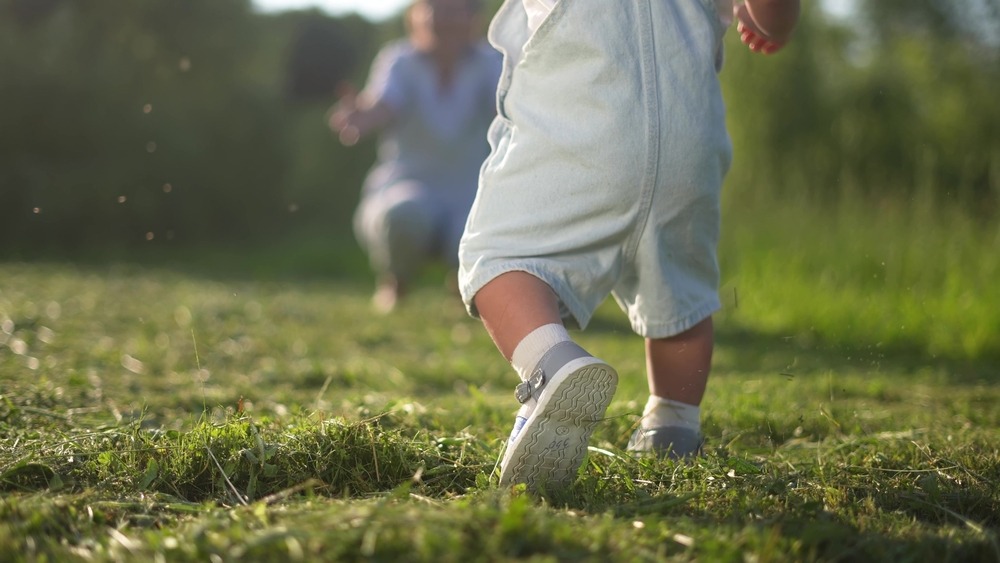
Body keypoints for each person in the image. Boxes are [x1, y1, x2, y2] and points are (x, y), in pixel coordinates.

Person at [457, 0, 800, 490]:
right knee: (678, 295)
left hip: (582, 124)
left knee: (494, 258)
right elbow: (772, 14)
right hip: (688, 146)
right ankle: (674, 425)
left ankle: (551, 363)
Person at [328, 0, 502, 312]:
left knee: (479, 234)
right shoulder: (399, 60)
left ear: (472, 18)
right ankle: (396, 282)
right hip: (409, 184)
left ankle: (462, 283)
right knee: (402, 215)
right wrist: (360, 116)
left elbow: (505, 111)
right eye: (432, 7)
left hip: (470, 192)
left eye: (452, 9)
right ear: (417, 16)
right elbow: (384, 104)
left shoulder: (492, 62)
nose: (439, 16)